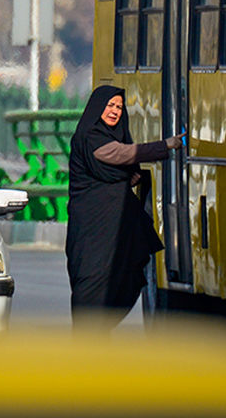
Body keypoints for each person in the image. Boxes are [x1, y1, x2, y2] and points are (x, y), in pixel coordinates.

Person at [65, 85, 183, 327]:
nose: (115, 111)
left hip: (114, 233)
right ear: (98, 108)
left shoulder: (111, 136)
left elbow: (124, 169)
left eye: (119, 107)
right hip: (92, 234)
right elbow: (119, 155)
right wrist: (166, 145)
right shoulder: (90, 136)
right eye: (110, 106)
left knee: (117, 281)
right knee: (92, 285)